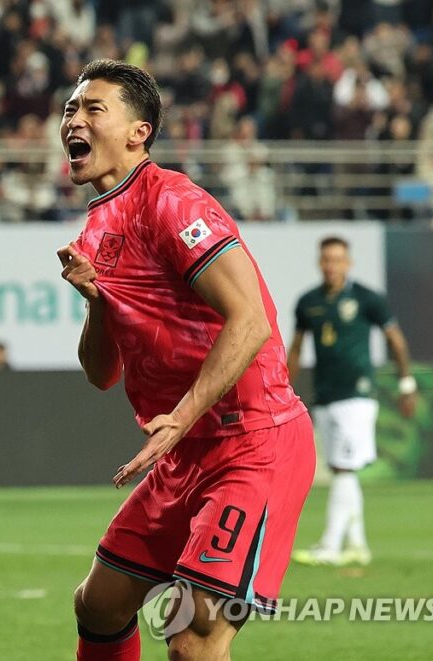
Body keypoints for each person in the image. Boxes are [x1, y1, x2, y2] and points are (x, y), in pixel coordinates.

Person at [56, 59, 315, 660]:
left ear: (138, 132)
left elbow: (249, 319)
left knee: (194, 640)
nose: (74, 120)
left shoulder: (173, 202)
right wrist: (98, 304)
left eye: (93, 108)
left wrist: (180, 416)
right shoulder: (96, 228)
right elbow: (101, 373)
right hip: (184, 453)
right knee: (99, 604)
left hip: (251, 441)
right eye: (70, 109)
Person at [289, 236, 416, 567]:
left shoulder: (367, 298)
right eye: (327, 259)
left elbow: (396, 340)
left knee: (344, 469)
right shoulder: (308, 302)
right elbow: (297, 348)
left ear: (349, 263)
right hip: (325, 395)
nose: (331, 266)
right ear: (320, 263)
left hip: (357, 396)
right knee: (340, 469)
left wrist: (406, 384)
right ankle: (358, 545)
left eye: (338, 259)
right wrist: (283, 387)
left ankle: (331, 546)